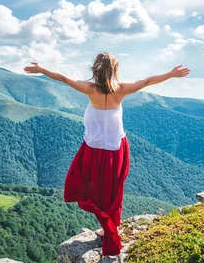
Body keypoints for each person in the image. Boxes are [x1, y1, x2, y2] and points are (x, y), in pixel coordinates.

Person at [23, 52, 190, 256]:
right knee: (113, 190)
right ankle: (111, 227)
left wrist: (42, 70)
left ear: (94, 69)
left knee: (90, 188)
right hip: (116, 148)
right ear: (115, 70)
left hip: (92, 149)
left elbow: (64, 78)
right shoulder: (121, 90)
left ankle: (107, 227)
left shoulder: (90, 89)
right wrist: (171, 74)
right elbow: (147, 81)